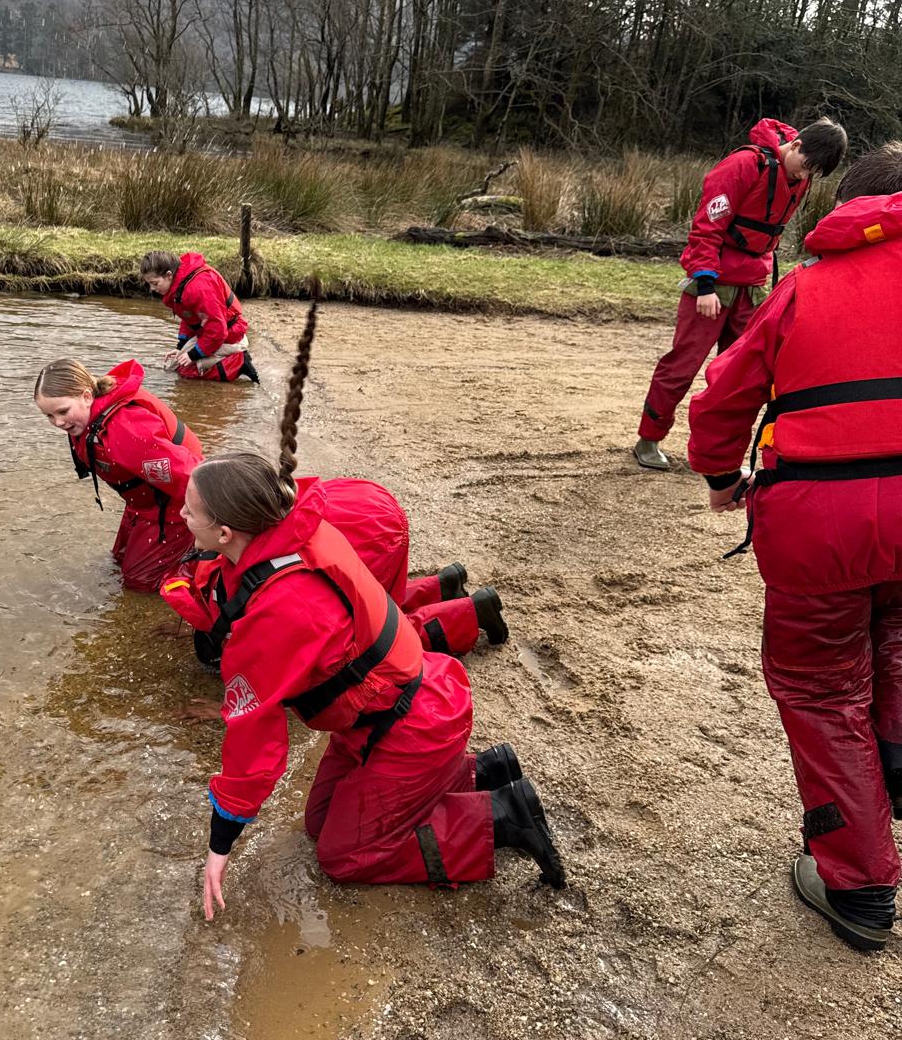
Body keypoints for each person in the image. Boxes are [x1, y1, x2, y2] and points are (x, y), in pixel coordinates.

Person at [182, 299, 566, 919]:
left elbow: (255, 747)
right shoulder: (296, 531)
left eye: (190, 511)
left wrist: (219, 845)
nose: (182, 516)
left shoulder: (278, 611)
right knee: (318, 825)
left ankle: (502, 817)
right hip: (394, 709)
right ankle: (484, 772)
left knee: (344, 856)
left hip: (412, 724)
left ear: (225, 532)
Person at [687, 142, 902, 953]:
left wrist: (720, 477)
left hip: (821, 525)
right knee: (898, 642)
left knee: (821, 690)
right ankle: (895, 768)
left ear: (846, 207)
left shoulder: (805, 288)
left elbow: (723, 399)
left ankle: (860, 886)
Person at [634, 118, 847, 470]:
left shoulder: (798, 176)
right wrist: (704, 285)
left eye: (814, 173)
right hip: (712, 284)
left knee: (741, 376)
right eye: (805, 166)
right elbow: (706, 226)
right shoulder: (743, 164)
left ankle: (721, 456)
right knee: (682, 366)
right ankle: (648, 439)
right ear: (795, 146)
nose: (805, 176)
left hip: (752, 286)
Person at [162, 473, 510, 663]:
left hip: (368, 528)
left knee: (361, 644)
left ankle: (472, 612)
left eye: (189, 513)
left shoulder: (256, 592)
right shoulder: (228, 539)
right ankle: (442, 585)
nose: (182, 515)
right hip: (353, 505)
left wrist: (226, 709)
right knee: (362, 598)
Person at [33, 356, 202, 593]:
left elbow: (190, 475)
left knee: (141, 582)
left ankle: (197, 576)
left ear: (87, 396)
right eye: (49, 416)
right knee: (118, 561)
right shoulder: (90, 419)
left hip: (173, 506)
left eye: (62, 411)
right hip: (143, 502)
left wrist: (223, 518)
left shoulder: (126, 428)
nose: (58, 422)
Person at [140, 249, 259, 383]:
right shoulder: (181, 283)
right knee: (173, 366)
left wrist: (193, 354)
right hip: (211, 332)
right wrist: (181, 347)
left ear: (169, 275)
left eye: (154, 283)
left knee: (187, 371)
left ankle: (240, 361)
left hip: (231, 334)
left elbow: (217, 329)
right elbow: (189, 318)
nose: (152, 289)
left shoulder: (199, 288)